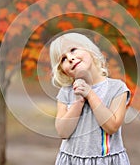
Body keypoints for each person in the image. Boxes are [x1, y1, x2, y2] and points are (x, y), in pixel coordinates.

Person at [49, 32, 131, 165]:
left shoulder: (116, 88)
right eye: (63, 59)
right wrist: (79, 101)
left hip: (104, 160)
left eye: (73, 50)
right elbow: (63, 131)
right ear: (62, 71)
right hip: (71, 160)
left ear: (90, 50)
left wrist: (90, 94)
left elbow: (112, 126)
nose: (70, 58)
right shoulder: (66, 92)